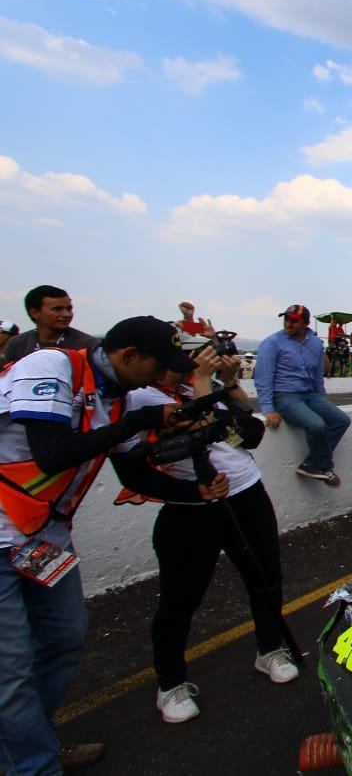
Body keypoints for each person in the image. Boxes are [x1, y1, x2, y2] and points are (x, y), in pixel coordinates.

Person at [0, 316, 202, 773]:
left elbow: (129, 467)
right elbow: (53, 453)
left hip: (41, 535)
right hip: (3, 533)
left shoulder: (120, 397)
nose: (163, 377)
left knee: (64, 638)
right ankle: (34, 764)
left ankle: (33, 739)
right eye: (158, 366)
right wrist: (138, 419)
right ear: (128, 355)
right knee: (10, 669)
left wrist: (189, 477)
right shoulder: (50, 365)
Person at [111, 342, 298, 724]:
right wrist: (201, 386)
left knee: (265, 579)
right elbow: (152, 455)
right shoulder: (141, 399)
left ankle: (270, 647)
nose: (186, 373)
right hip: (190, 511)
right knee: (181, 599)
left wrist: (226, 385)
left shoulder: (197, 387)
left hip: (247, 494)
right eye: (179, 369)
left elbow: (247, 432)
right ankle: (170, 682)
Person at [254, 305, 350, 487]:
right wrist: (268, 408)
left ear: (305, 323)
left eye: (294, 321)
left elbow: (317, 373)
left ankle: (311, 463)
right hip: (285, 395)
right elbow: (263, 377)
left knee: (341, 420)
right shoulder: (272, 343)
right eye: (286, 320)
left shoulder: (314, 343)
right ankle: (324, 466)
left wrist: (321, 398)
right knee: (316, 424)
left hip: (310, 393)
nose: (288, 324)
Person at [1, 285, 97, 364]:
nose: (66, 314)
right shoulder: (17, 343)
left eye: (69, 309)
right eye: (57, 309)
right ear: (34, 312)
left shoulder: (87, 345)